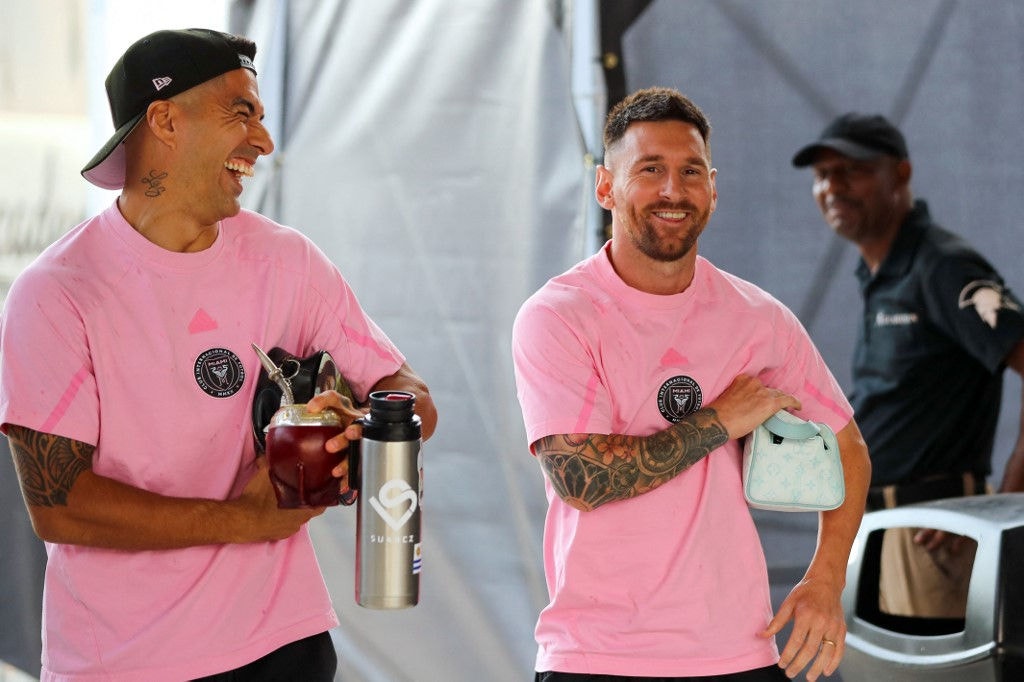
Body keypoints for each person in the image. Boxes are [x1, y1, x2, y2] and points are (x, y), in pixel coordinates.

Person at [0, 28, 437, 681]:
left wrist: (357, 427)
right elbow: (60, 505)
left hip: (285, 645)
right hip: (124, 663)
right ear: (166, 119)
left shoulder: (289, 260)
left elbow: (410, 395)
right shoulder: (57, 292)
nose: (263, 141)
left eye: (262, 118)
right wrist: (243, 519)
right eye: (242, 114)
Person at [511, 87, 870, 682]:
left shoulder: (758, 317)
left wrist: (825, 579)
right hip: (599, 657)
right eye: (650, 170)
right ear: (605, 186)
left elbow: (849, 448)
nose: (673, 191)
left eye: (690, 172)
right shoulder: (560, 315)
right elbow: (583, 479)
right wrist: (721, 421)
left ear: (713, 187)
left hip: (741, 653)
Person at [791, 112, 1024, 618]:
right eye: (822, 174)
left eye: (850, 170)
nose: (833, 186)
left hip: (936, 535)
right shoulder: (881, 271)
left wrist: (1005, 505)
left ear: (900, 174)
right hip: (875, 526)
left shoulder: (942, 264)